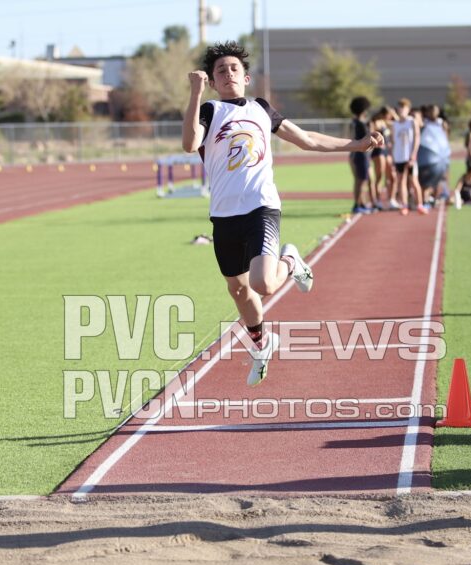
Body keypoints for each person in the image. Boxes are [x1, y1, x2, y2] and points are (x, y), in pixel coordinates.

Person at [182, 42, 383, 386]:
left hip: (261, 207)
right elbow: (189, 144)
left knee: (263, 283)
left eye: (234, 68)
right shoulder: (209, 110)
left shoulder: (260, 108)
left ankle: (290, 260)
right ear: (212, 82)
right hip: (224, 215)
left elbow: (307, 139)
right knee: (238, 290)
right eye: (220, 71)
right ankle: (262, 345)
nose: (228, 74)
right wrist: (195, 94)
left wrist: (356, 144)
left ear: (246, 78)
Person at [390, 99, 427, 216]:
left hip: (409, 156)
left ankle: (420, 205)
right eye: (400, 108)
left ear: (408, 109)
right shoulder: (394, 124)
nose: (401, 110)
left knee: (414, 181)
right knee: (401, 181)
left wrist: (413, 154)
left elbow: (417, 138)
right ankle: (404, 205)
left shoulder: (412, 122)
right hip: (398, 157)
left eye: (404, 108)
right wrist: (392, 157)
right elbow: (393, 142)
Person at [417, 104, 451, 206]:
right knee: (425, 178)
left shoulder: (441, 123)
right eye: (431, 111)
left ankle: (437, 197)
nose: (433, 113)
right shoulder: (424, 123)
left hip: (440, 153)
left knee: (442, 176)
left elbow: (445, 137)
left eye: (435, 111)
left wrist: (445, 150)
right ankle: (425, 198)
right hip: (427, 154)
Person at [349, 96, 378, 214]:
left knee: (360, 180)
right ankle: (357, 205)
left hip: (358, 155)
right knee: (362, 180)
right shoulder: (360, 124)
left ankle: (361, 203)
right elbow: (367, 139)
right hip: (361, 155)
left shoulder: (355, 122)